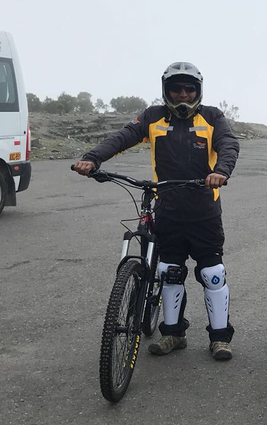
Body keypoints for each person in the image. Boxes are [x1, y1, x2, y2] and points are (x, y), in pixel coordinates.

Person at [72, 62, 240, 360]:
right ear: (166, 90)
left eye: (189, 88)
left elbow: (228, 144)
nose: (183, 94)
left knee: (213, 274)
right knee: (169, 272)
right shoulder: (153, 116)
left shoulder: (212, 116)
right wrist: (93, 158)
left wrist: (221, 171)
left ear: (198, 91)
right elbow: (122, 137)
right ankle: (173, 334)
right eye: (176, 88)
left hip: (204, 210)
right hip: (168, 209)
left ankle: (220, 338)